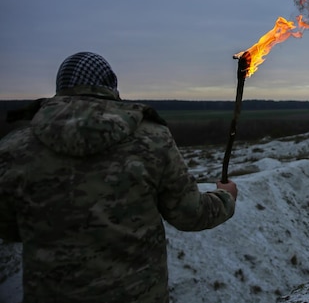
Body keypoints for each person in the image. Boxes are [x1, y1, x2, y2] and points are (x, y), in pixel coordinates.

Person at [0, 52, 238, 303]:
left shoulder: (15, 148)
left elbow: (10, 227)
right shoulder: (151, 139)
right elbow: (190, 213)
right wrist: (226, 198)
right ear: (111, 85)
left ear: (61, 87)